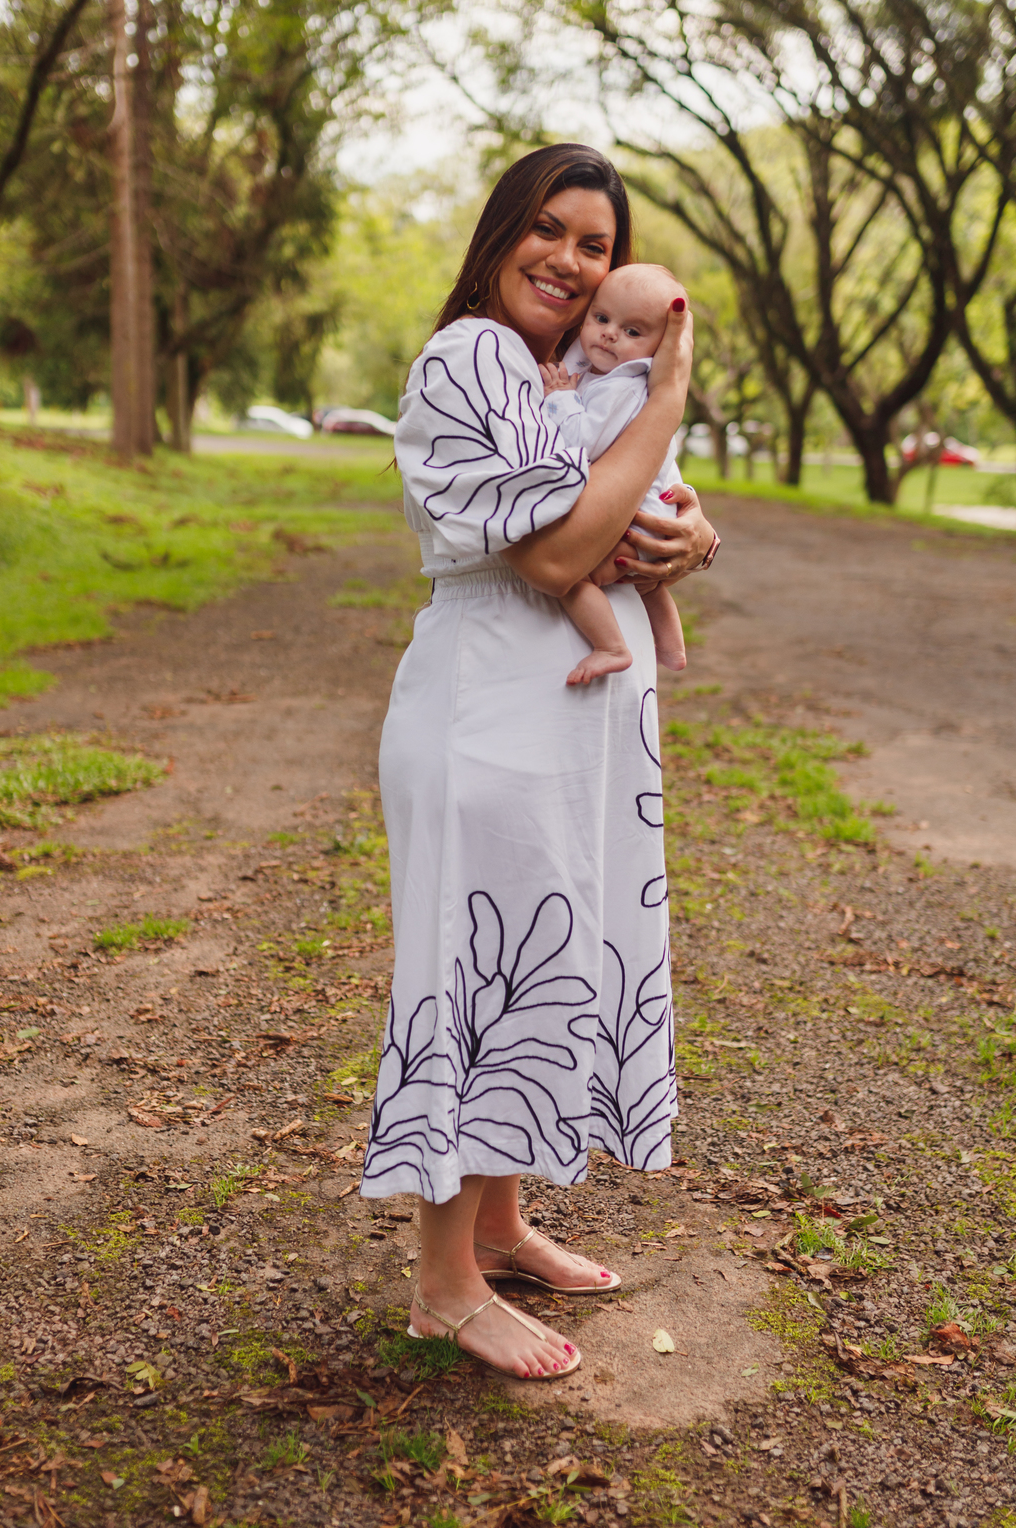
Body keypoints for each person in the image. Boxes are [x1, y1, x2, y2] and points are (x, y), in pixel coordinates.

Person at [360, 145, 720, 1381]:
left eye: (598, 246)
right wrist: (669, 398)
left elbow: (628, 511)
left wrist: (687, 534)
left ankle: (502, 1228)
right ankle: (444, 1286)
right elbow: (560, 555)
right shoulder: (471, 354)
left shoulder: (559, 372)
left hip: (558, 719)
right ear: (503, 228)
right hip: (485, 713)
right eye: (550, 231)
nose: (571, 261)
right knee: (480, 971)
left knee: (540, 962)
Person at [540, 262, 690, 685]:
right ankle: (673, 648)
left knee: (574, 576)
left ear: (661, 347)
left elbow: (585, 442)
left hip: (634, 523)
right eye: (601, 318)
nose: (609, 334)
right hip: (653, 518)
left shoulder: (624, 385)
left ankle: (611, 646)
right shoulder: (605, 370)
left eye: (632, 331)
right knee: (648, 583)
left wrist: (560, 400)